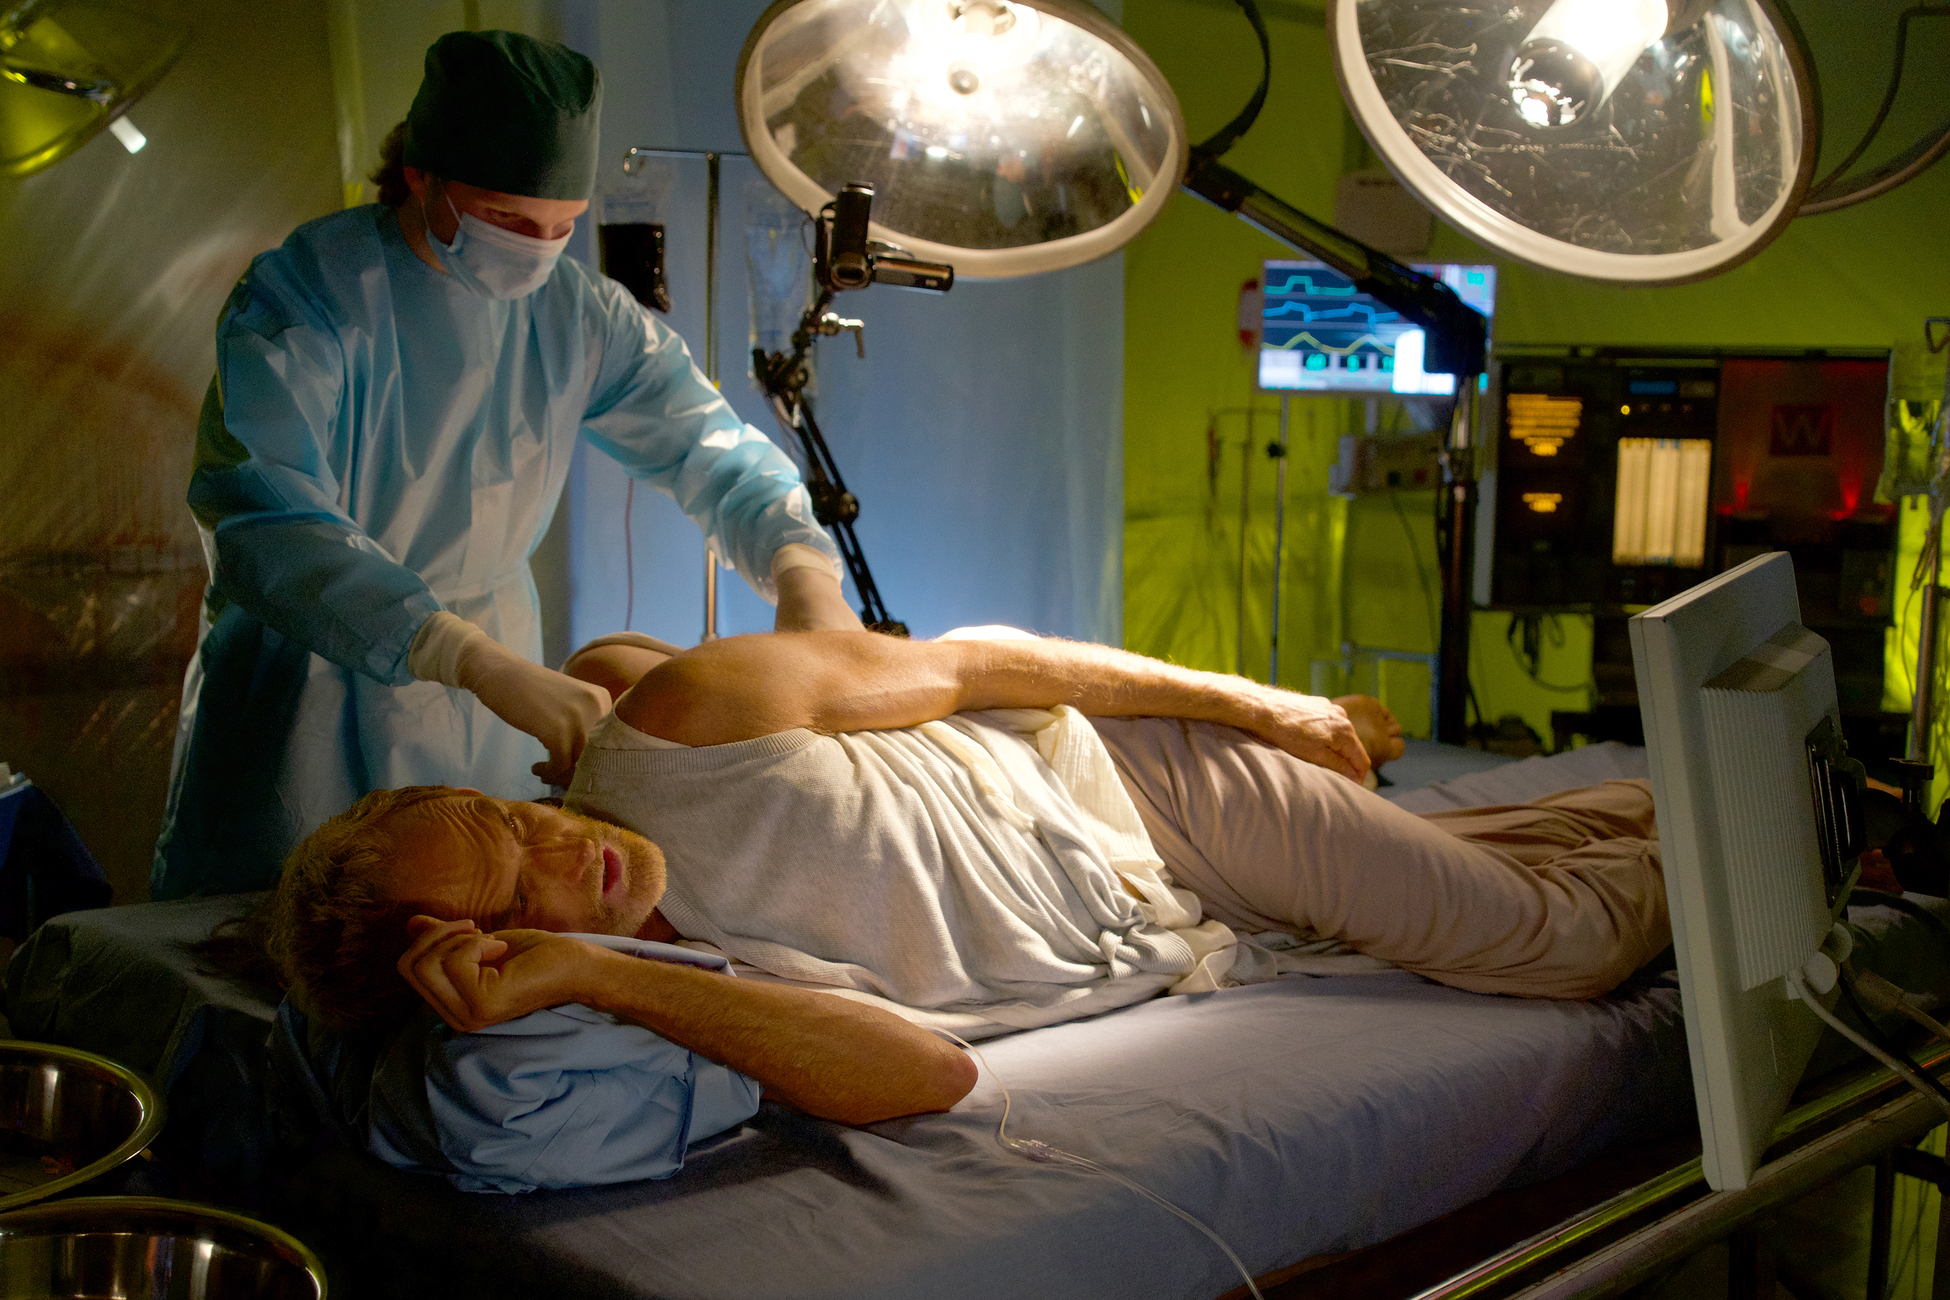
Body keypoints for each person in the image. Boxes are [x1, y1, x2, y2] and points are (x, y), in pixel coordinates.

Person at [256, 628, 1668, 1192]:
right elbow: (924, 1074)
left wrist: (1263, 706)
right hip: (1173, 925)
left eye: (515, 819)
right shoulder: (652, 1009)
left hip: (1149, 790)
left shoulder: (686, 724)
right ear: (488, 957)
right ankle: (1629, 806)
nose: (567, 850)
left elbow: (981, 657)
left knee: (1560, 945)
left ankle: (1725, 810)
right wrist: (597, 973)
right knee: (1460, 881)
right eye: (522, 897)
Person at [154, 30, 858, 901]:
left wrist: (801, 568)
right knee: (289, 939)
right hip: (308, 688)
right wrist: (467, 657)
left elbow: (709, 449)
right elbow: (265, 517)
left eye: (563, 227)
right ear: (421, 177)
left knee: (471, 925)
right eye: (510, 221)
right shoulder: (309, 296)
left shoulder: (580, 316)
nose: (540, 249)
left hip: (488, 700)